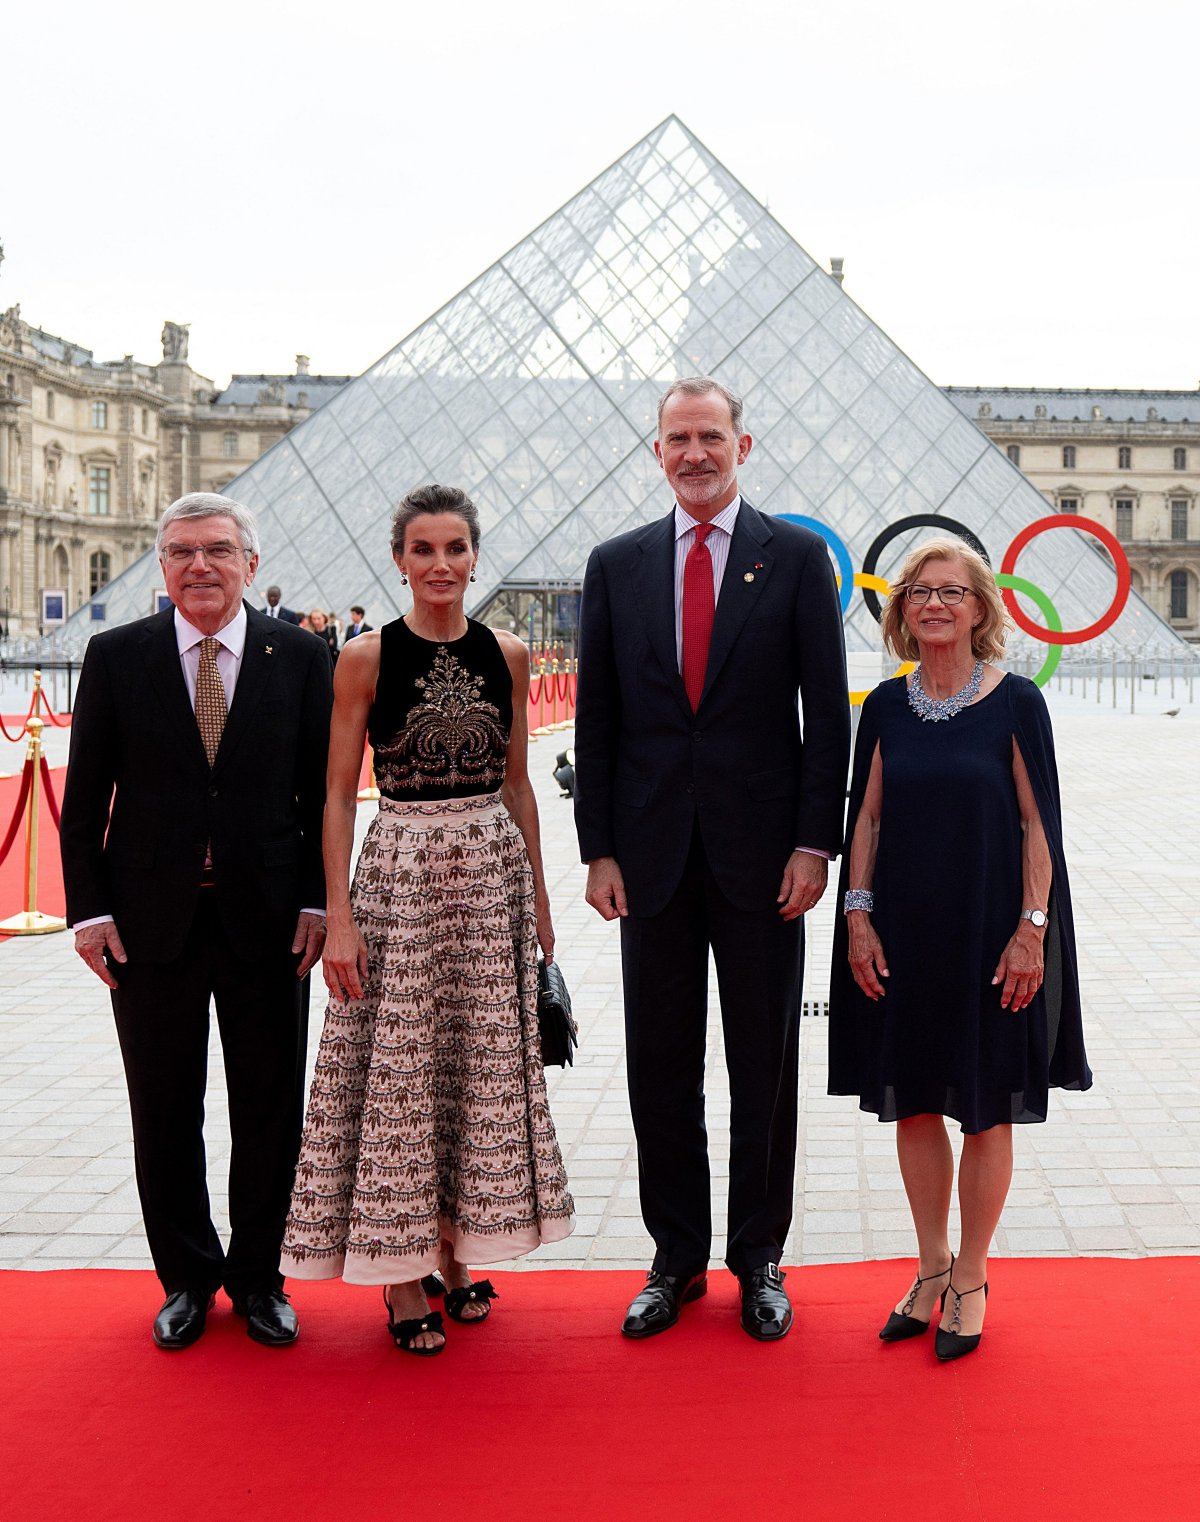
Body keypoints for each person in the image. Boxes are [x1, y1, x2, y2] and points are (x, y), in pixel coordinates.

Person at [573, 377, 850, 1342]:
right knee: (660, 1063)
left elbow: (827, 717)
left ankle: (758, 1257)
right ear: (657, 452)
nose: (695, 453)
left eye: (711, 436)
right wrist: (597, 848)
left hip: (766, 861)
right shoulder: (616, 564)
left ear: (744, 443)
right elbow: (597, 718)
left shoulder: (799, 558)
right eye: (677, 438)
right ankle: (676, 1256)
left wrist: (817, 844)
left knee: (763, 1065)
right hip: (648, 858)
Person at [281, 482, 574, 1356]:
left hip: (490, 879)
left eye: (455, 549)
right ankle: (401, 1276)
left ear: (475, 556)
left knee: (473, 1065)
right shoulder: (365, 658)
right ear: (400, 560)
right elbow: (337, 795)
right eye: (423, 551)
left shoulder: (511, 653)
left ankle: (456, 1251)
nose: (440, 565)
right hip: (400, 876)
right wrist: (339, 916)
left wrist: (542, 912)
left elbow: (519, 783)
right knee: (401, 1069)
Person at [60, 492, 333, 1350]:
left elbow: (322, 795)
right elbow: (84, 799)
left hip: (271, 922)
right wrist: (89, 912)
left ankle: (259, 1279)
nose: (199, 566)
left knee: (269, 1111)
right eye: (180, 552)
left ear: (251, 562)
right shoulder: (115, 656)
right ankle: (186, 1279)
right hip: (149, 925)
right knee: (164, 1110)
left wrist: (324, 902)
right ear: (163, 565)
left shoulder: (302, 656)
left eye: (217, 549)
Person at [828, 537, 1092, 1361]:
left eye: (951, 592)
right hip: (902, 928)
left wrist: (1031, 928)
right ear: (901, 610)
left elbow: (1038, 824)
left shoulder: (1016, 702)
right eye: (918, 592)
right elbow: (864, 818)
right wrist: (857, 918)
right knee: (911, 1098)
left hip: (990, 931)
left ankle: (972, 1274)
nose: (934, 604)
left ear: (982, 608)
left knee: (982, 1104)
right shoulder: (882, 704)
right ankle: (933, 1263)